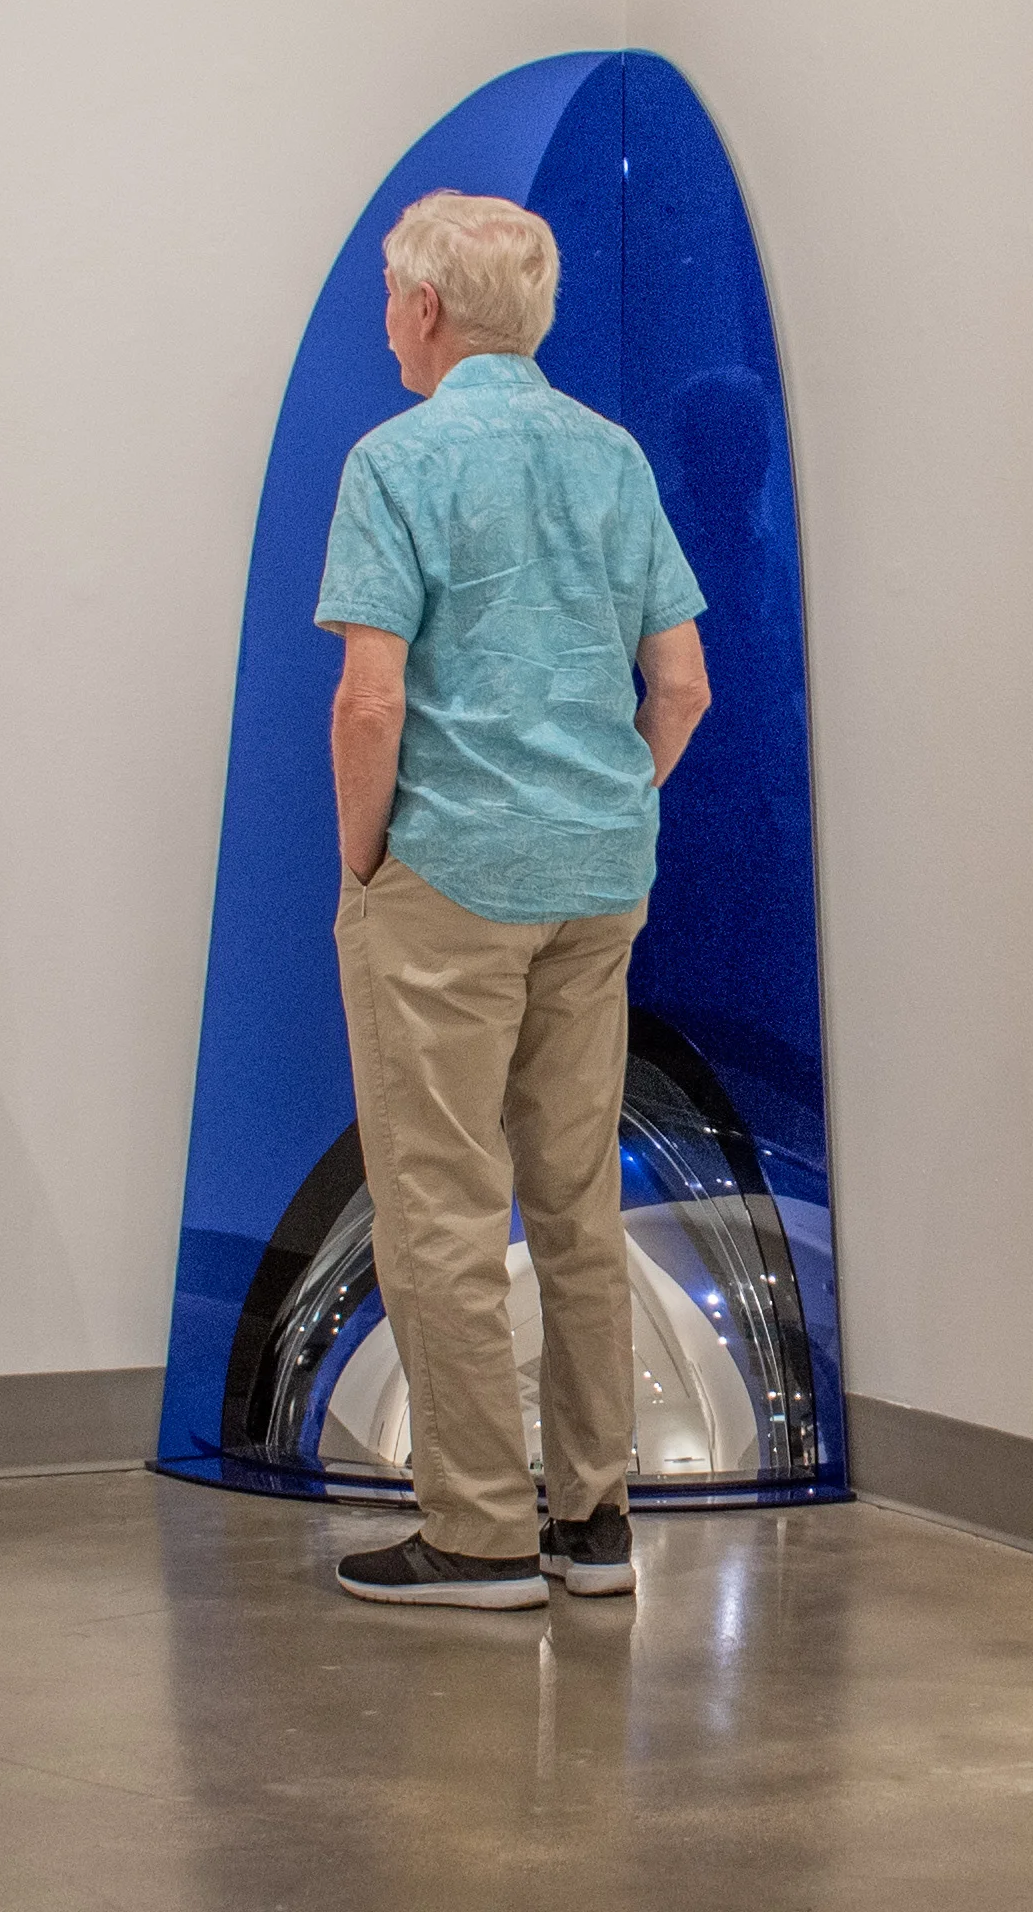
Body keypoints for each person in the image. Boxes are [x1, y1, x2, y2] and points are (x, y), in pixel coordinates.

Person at [314, 192, 711, 1609]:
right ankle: (595, 1522)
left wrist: (364, 858)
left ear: (424, 309)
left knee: (437, 1205)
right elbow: (682, 685)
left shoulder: (397, 459)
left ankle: (478, 1531)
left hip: (449, 870)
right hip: (596, 874)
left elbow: (370, 701)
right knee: (574, 1198)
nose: (384, 322)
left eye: (386, 298)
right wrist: (614, 806)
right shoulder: (610, 461)